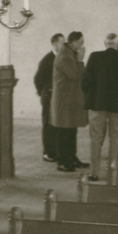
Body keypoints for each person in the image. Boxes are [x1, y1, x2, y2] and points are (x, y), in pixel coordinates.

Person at [82, 33, 118, 181]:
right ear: (117, 44)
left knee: (96, 139)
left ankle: (94, 173)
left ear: (105, 43)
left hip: (97, 104)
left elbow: (85, 82)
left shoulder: (95, 57)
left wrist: (91, 95)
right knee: (115, 138)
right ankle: (112, 172)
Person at [50, 31, 89, 172]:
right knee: (64, 132)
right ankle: (62, 161)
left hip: (70, 99)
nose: (82, 45)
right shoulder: (65, 55)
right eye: (80, 42)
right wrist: (80, 60)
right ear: (73, 42)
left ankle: (72, 157)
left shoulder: (69, 53)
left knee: (71, 130)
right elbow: (74, 74)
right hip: (64, 100)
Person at [34, 33, 66, 162]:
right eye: (62, 42)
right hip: (49, 95)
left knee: (57, 124)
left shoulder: (62, 57)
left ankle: (56, 151)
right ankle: (48, 152)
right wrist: (42, 92)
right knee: (48, 124)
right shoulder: (47, 59)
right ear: (54, 44)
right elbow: (38, 78)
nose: (65, 45)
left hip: (58, 96)